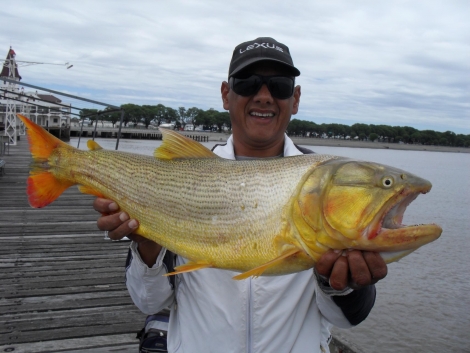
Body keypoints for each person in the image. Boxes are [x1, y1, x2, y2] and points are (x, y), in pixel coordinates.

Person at [93, 37, 387, 353]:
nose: (264, 96)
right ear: (225, 94)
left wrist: (343, 285)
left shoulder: (331, 185)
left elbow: (348, 319)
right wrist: (149, 244)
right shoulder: (185, 176)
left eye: (279, 85)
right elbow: (148, 301)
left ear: (296, 98)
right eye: (247, 83)